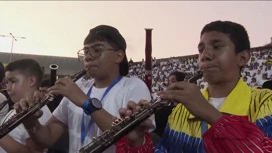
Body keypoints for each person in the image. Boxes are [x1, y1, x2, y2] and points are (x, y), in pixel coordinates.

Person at [116, 20, 272, 153]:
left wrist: (208, 112)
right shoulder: (180, 111)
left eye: (217, 47)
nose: (205, 55)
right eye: (201, 50)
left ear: (243, 58)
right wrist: (138, 142)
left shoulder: (265, 101)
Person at [14, 25, 154, 153]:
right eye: (85, 51)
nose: (88, 57)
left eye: (97, 50)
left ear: (118, 56)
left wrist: (85, 102)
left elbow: (131, 138)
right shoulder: (79, 87)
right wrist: (31, 124)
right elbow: (48, 138)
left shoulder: (134, 86)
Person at [0, 59, 52, 153]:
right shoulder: (18, 107)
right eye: (7, 82)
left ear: (31, 81)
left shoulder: (38, 111)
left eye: (13, 81)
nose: (8, 88)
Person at [152, 71, 187, 138]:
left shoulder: (189, 109)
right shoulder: (165, 106)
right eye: (169, 82)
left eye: (173, 81)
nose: (170, 85)